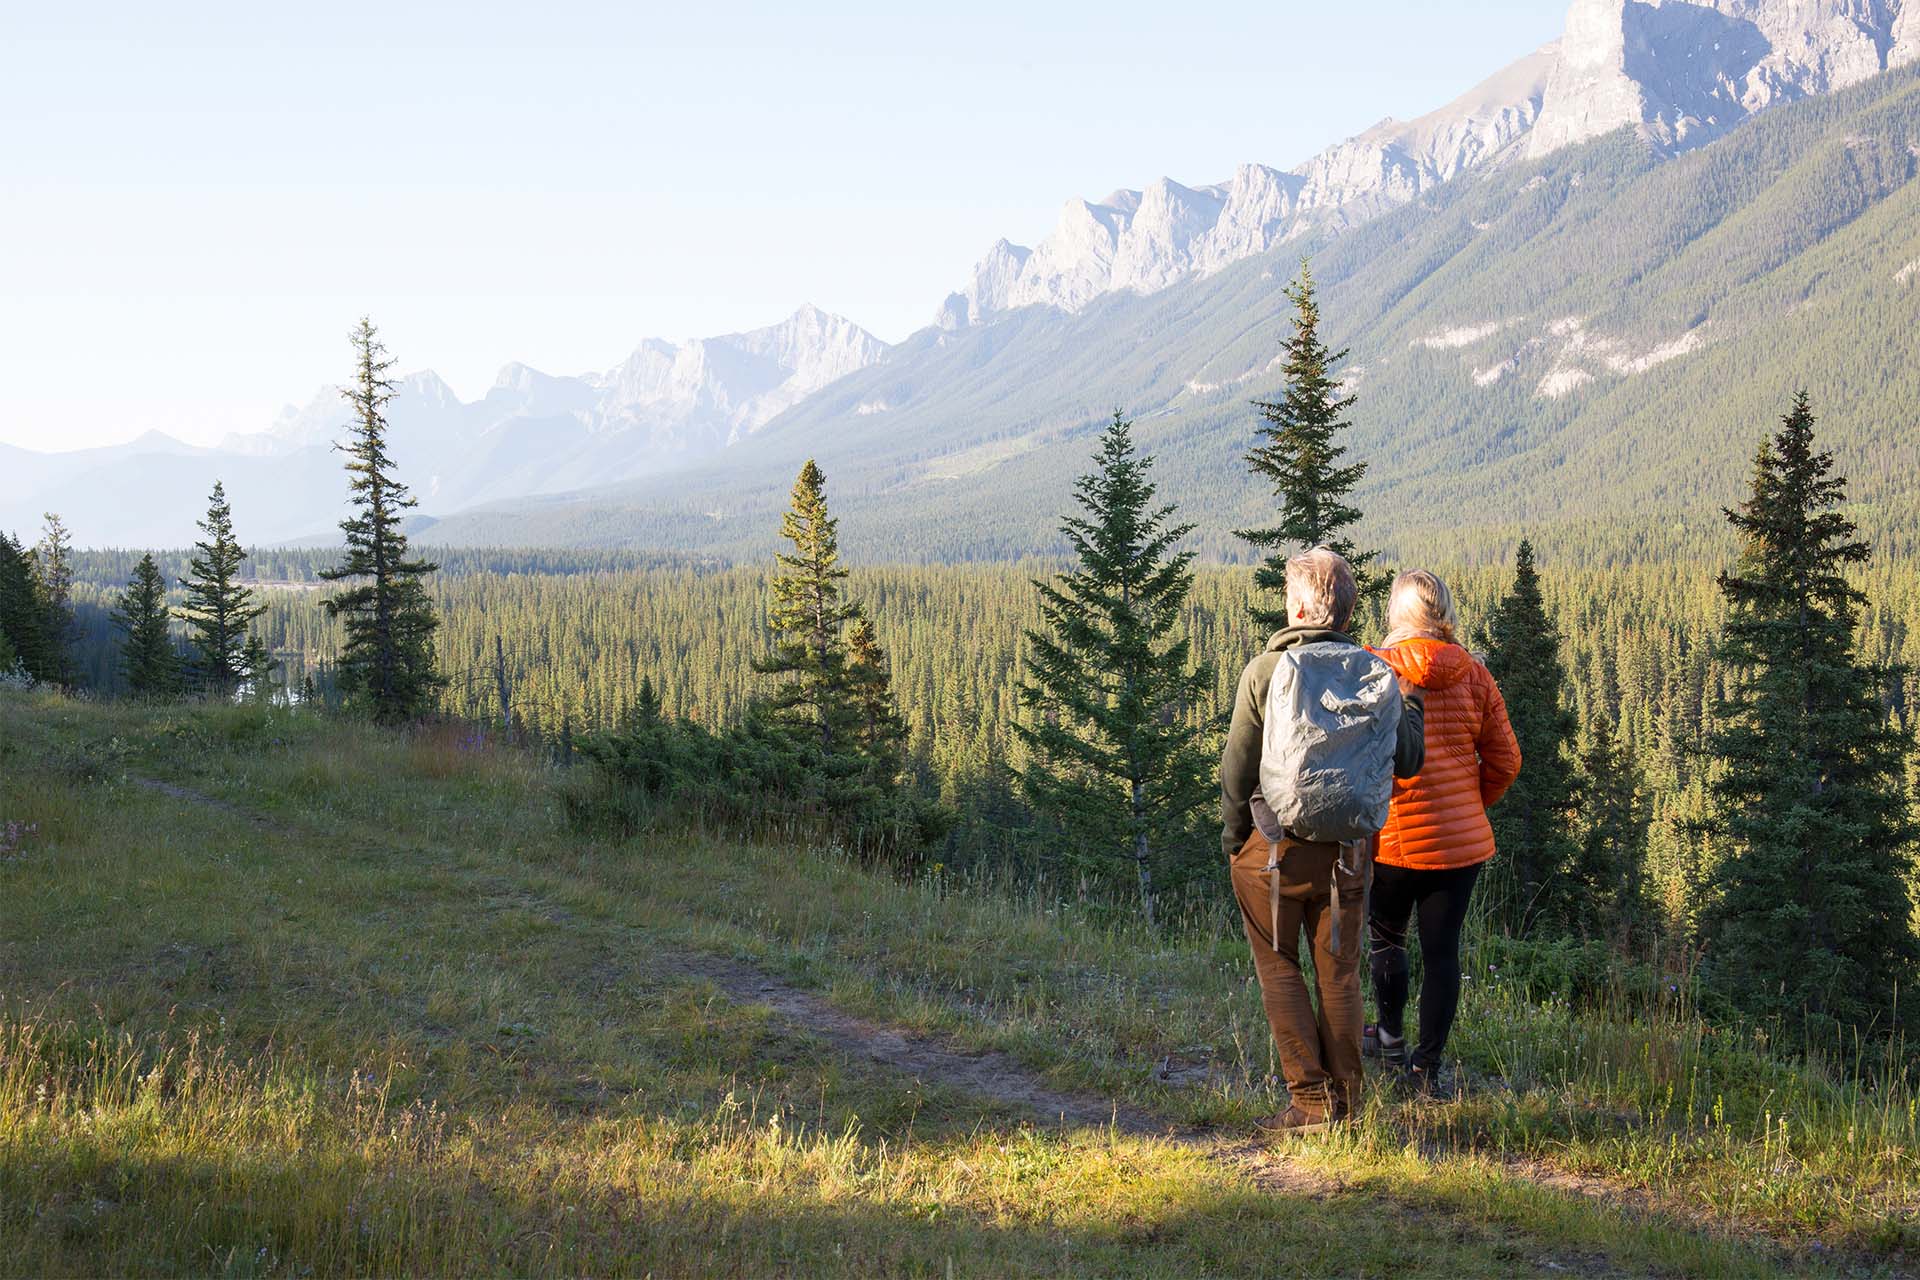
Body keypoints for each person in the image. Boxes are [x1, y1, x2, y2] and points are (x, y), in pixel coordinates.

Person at [1221, 548, 1426, 1136]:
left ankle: (1309, 1104)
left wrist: (1236, 843)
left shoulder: (1265, 672)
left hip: (1274, 851)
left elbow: (1237, 771)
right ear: (1344, 610)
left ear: (1304, 604)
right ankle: (1349, 1104)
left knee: (1279, 967)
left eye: (1292, 593)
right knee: (1339, 974)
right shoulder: (1376, 672)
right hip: (1349, 857)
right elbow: (1408, 760)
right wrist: (1409, 703)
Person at [1363, 569, 1521, 1094]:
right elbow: (1506, 761)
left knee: (1388, 938)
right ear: (1444, 613)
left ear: (1398, 614)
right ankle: (1425, 1070)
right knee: (1442, 953)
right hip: (1461, 845)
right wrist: (1470, 804)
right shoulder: (1474, 674)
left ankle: (1389, 1041)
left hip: (1391, 839)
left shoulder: (1376, 670)